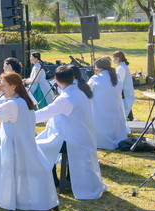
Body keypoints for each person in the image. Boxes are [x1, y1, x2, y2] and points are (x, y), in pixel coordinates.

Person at [0, 72, 59, 211]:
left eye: (4, 86)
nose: (2, 89)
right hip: (27, 148)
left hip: (12, 148)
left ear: (14, 87)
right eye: (0, 87)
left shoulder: (12, 104)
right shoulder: (25, 102)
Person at [34, 66, 106, 200]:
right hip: (81, 137)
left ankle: (50, 180)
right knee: (41, 142)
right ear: (73, 78)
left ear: (55, 80)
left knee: (36, 146)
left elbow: (43, 114)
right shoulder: (79, 92)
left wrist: (21, 116)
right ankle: (54, 178)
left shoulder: (65, 98)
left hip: (72, 140)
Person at [89, 56, 128, 150]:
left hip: (100, 114)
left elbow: (86, 93)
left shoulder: (96, 79)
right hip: (115, 114)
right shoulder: (116, 77)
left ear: (98, 68)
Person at [112, 51, 135, 119]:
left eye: (114, 57)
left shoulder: (121, 68)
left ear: (118, 58)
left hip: (125, 94)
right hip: (125, 93)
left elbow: (119, 82)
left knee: (123, 113)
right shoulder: (122, 66)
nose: (113, 59)